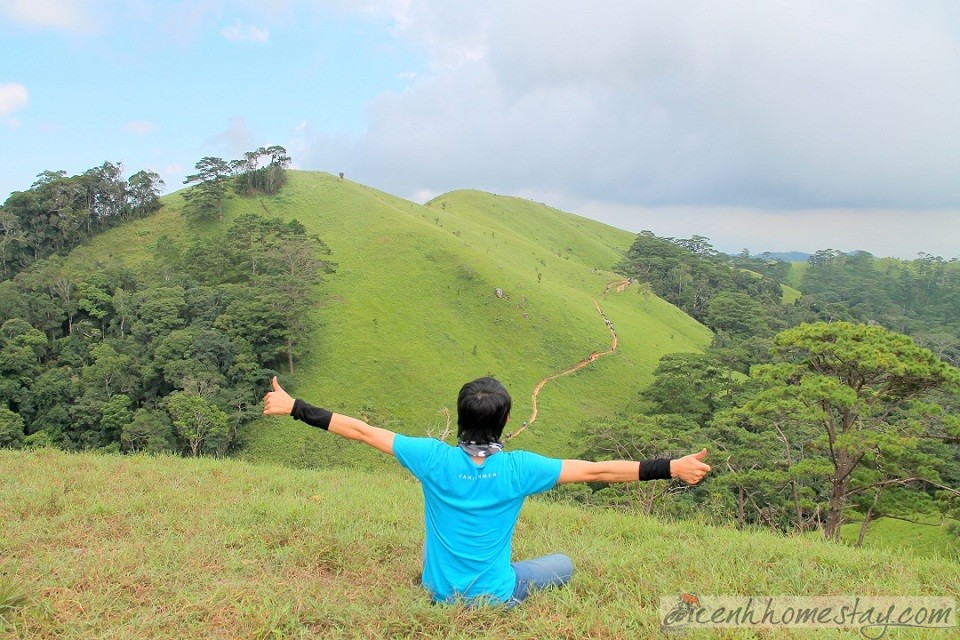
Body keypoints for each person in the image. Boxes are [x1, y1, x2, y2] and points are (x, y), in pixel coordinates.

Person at [263, 375, 711, 608]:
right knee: (563, 564)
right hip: (495, 596)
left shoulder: (431, 458)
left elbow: (360, 431)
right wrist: (671, 467)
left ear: (460, 417)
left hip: (438, 591)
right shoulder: (520, 468)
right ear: (503, 422)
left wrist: (294, 407)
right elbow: (600, 471)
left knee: (441, 544)